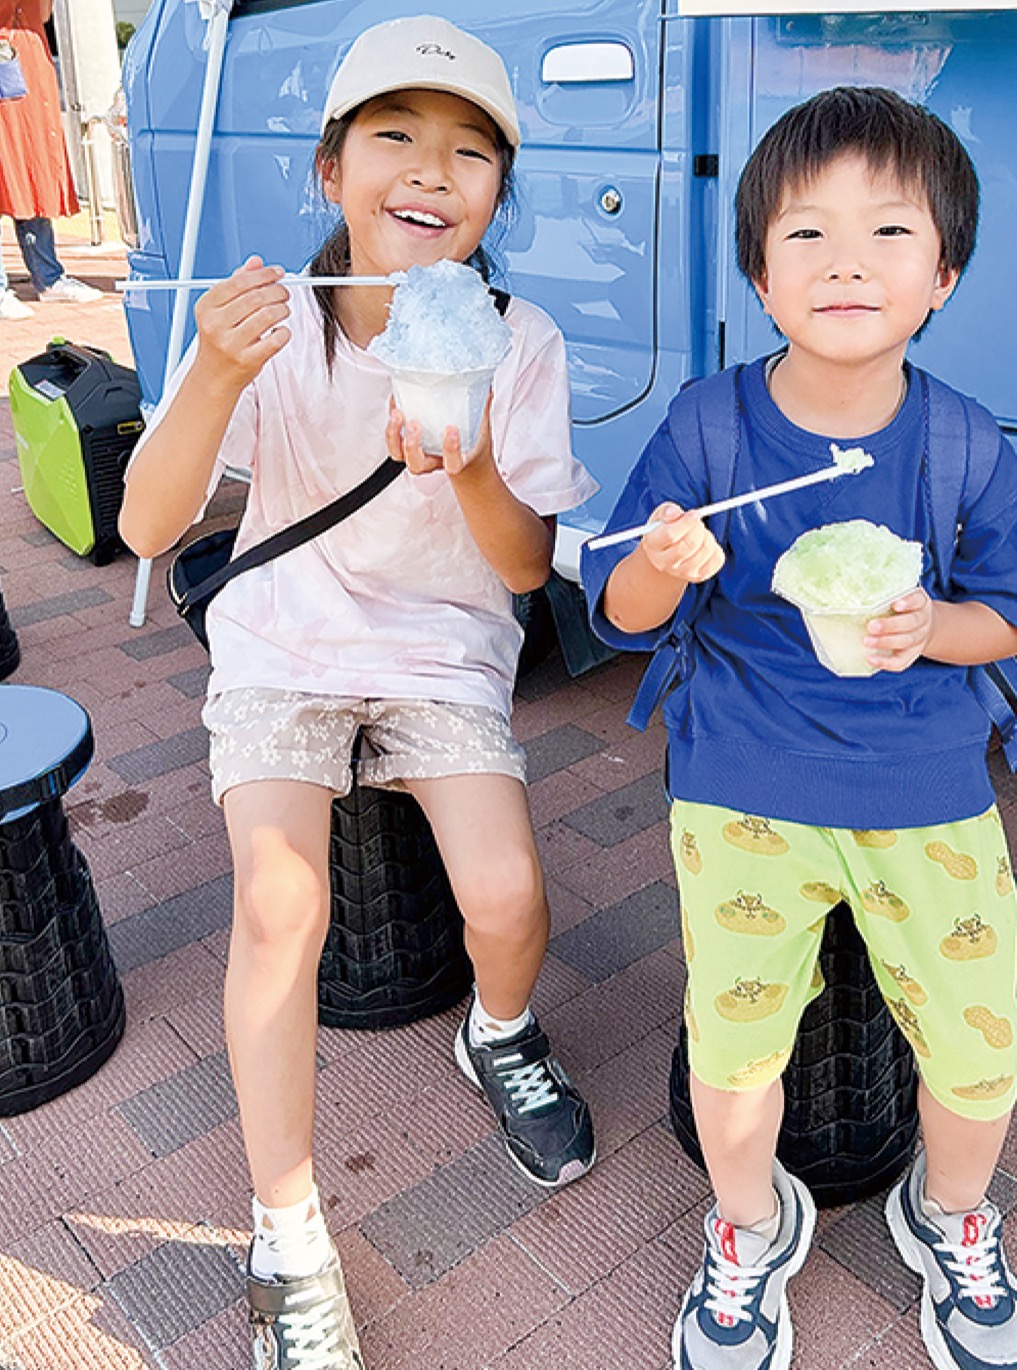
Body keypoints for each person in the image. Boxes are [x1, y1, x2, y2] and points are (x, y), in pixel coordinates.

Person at [119, 16, 597, 1368]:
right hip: (286, 637)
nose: (429, 172)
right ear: (332, 170)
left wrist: (471, 459)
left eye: (468, 151)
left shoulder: (519, 335)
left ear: (498, 191)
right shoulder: (273, 321)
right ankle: (288, 1228)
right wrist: (212, 368)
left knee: (507, 898)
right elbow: (152, 525)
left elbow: (518, 568)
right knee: (280, 904)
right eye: (394, 137)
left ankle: (497, 1032)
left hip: (442, 640)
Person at [583, 87, 1017, 1370]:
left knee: (979, 1048)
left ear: (943, 273)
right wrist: (668, 563)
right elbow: (622, 609)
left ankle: (949, 1213)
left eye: (889, 231)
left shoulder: (961, 440)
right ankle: (746, 1225)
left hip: (927, 785)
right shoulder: (708, 422)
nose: (846, 259)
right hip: (742, 782)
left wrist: (933, 627)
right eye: (806, 233)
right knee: (734, 1052)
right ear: (756, 267)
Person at [0, 0, 102, 317]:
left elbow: (42, 14)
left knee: (31, 171)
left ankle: (49, 276)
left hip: (27, 62)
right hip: (10, 60)